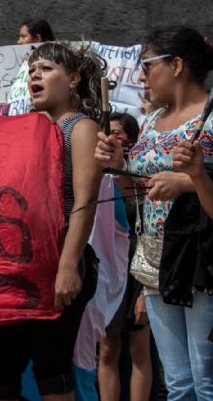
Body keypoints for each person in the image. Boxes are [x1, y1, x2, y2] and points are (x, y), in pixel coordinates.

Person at [95, 27, 213, 399]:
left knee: (206, 380)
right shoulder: (148, 122)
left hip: (200, 264)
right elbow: (139, 198)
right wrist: (119, 168)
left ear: (177, 65)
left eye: (147, 65)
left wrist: (189, 180)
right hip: (155, 264)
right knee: (178, 383)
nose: (141, 77)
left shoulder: (210, 118)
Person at [0, 42, 104, 401]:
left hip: (59, 258)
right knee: (1, 366)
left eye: (47, 68)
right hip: (20, 263)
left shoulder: (80, 128)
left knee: (51, 366)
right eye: (32, 69)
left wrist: (67, 267)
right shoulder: (25, 129)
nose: (35, 74)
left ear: (74, 79)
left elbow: (84, 202)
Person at [97, 113, 153, 401]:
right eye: (108, 133)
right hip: (110, 271)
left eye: (119, 134)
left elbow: (144, 225)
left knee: (139, 349)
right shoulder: (97, 178)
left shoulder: (139, 177)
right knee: (107, 350)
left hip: (137, 269)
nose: (112, 139)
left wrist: (145, 288)